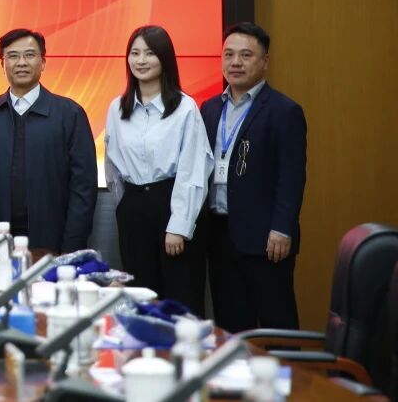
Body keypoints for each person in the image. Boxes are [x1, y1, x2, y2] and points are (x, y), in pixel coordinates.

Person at [202, 23, 306, 330]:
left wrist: (282, 228)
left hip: (266, 239)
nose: (235, 62)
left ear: (265, 61)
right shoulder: (209, 109)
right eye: (229, 55)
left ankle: (286, 366)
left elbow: (291, 176)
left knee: (276, 322)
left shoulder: (284, 111)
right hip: (219, 234)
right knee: (231, 325)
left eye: (246, 55)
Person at [104, 25, 212, 315]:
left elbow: (193, 169)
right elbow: (112, 168)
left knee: (180, 300)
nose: (141, 60)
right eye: (135, 53)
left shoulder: (185, 108)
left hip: (172, 205)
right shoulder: (117, 108)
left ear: (165, 59)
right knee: (141, 298)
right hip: (134, 210)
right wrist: (126, 208)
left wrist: (179, 226)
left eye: (150, 53)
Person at [0, 28, 98, 253]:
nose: (21, 62)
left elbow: (84, 186)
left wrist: (72, 244)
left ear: (43, 62)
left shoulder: (69, 114)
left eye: (29, 55)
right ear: (2, 64)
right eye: (13, 56)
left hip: (54, 240)